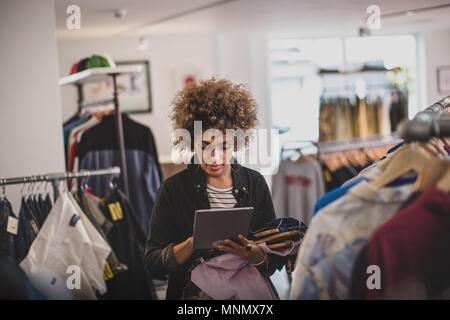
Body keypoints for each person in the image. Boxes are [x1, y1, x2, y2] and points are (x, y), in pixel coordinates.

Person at [144, 78, 285, 300]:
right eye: (204, 145)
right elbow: (153, 263)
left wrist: (254, 254)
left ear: (237, 142)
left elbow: (274, 257)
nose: (214, 156)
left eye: (224, 146)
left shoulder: (256, 183)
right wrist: (191, 244)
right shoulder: (172, 190)